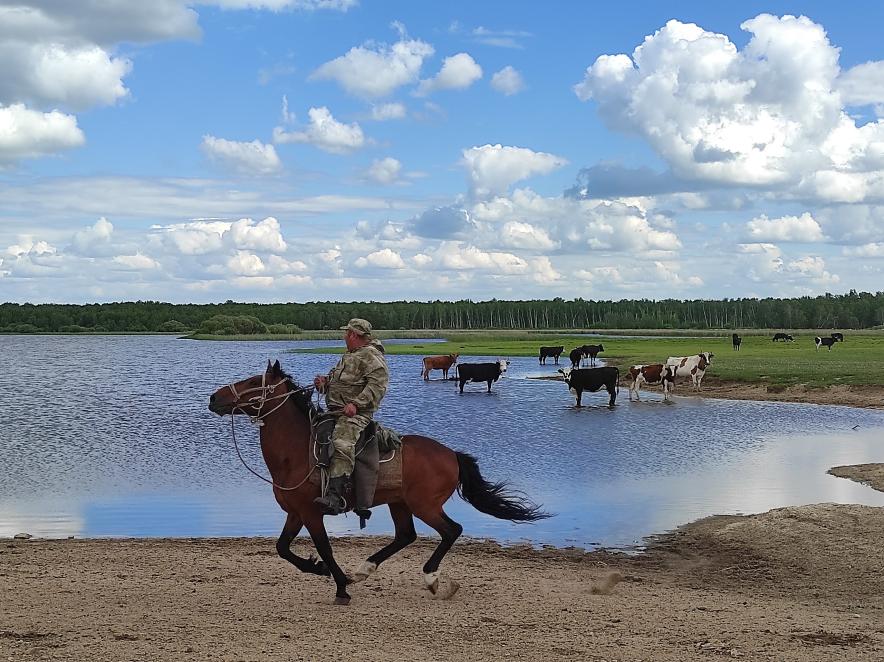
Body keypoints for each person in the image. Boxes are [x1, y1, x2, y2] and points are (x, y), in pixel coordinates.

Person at [312, 318, 389, 515]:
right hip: (335, 410)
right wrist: (324, 383)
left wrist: (356, 404)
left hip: (357, 414)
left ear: (353, 335)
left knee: (341, 442)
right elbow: (338, 381)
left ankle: (335, 498)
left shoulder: (372, 357)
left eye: (346, 333)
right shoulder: (350, 355)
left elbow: (377, 387)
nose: (344, 336)